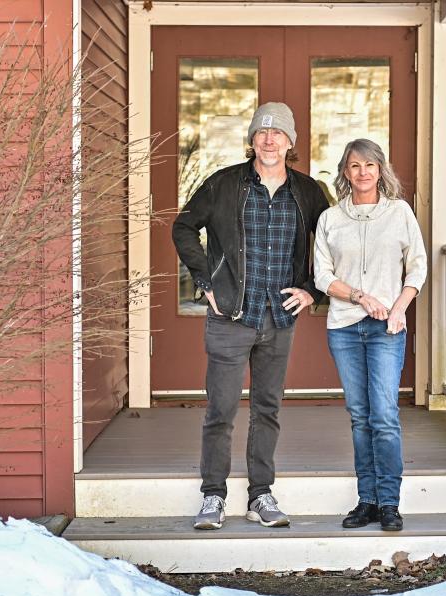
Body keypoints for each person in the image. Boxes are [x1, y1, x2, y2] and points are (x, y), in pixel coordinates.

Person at [173, 103, 330, 530]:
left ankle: (260, 494)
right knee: (220, 410)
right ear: (252, 139)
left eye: (278, 133)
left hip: (279, 318)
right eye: (261, 132)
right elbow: (183, 227)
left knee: (267, 408)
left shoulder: (309, 191)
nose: (269, 139)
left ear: (290, 141)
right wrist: (205, 282)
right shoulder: (225, 184)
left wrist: (313, 289)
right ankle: (213, 496)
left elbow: (334, 242)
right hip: (230, 316)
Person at [313, 139, 427, 532]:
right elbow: (323, 277)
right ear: (345, 172)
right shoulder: (330, 219)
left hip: (387, 329)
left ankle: (390, 502)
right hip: (344, 327)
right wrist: (361, 297)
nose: (362, 172)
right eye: (354, 165)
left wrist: (399, 307)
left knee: (384, 415)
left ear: (381, 170)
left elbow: (417, 267)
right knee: (360, 417)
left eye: (370, 165)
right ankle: (368, 500)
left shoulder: (399, 213)